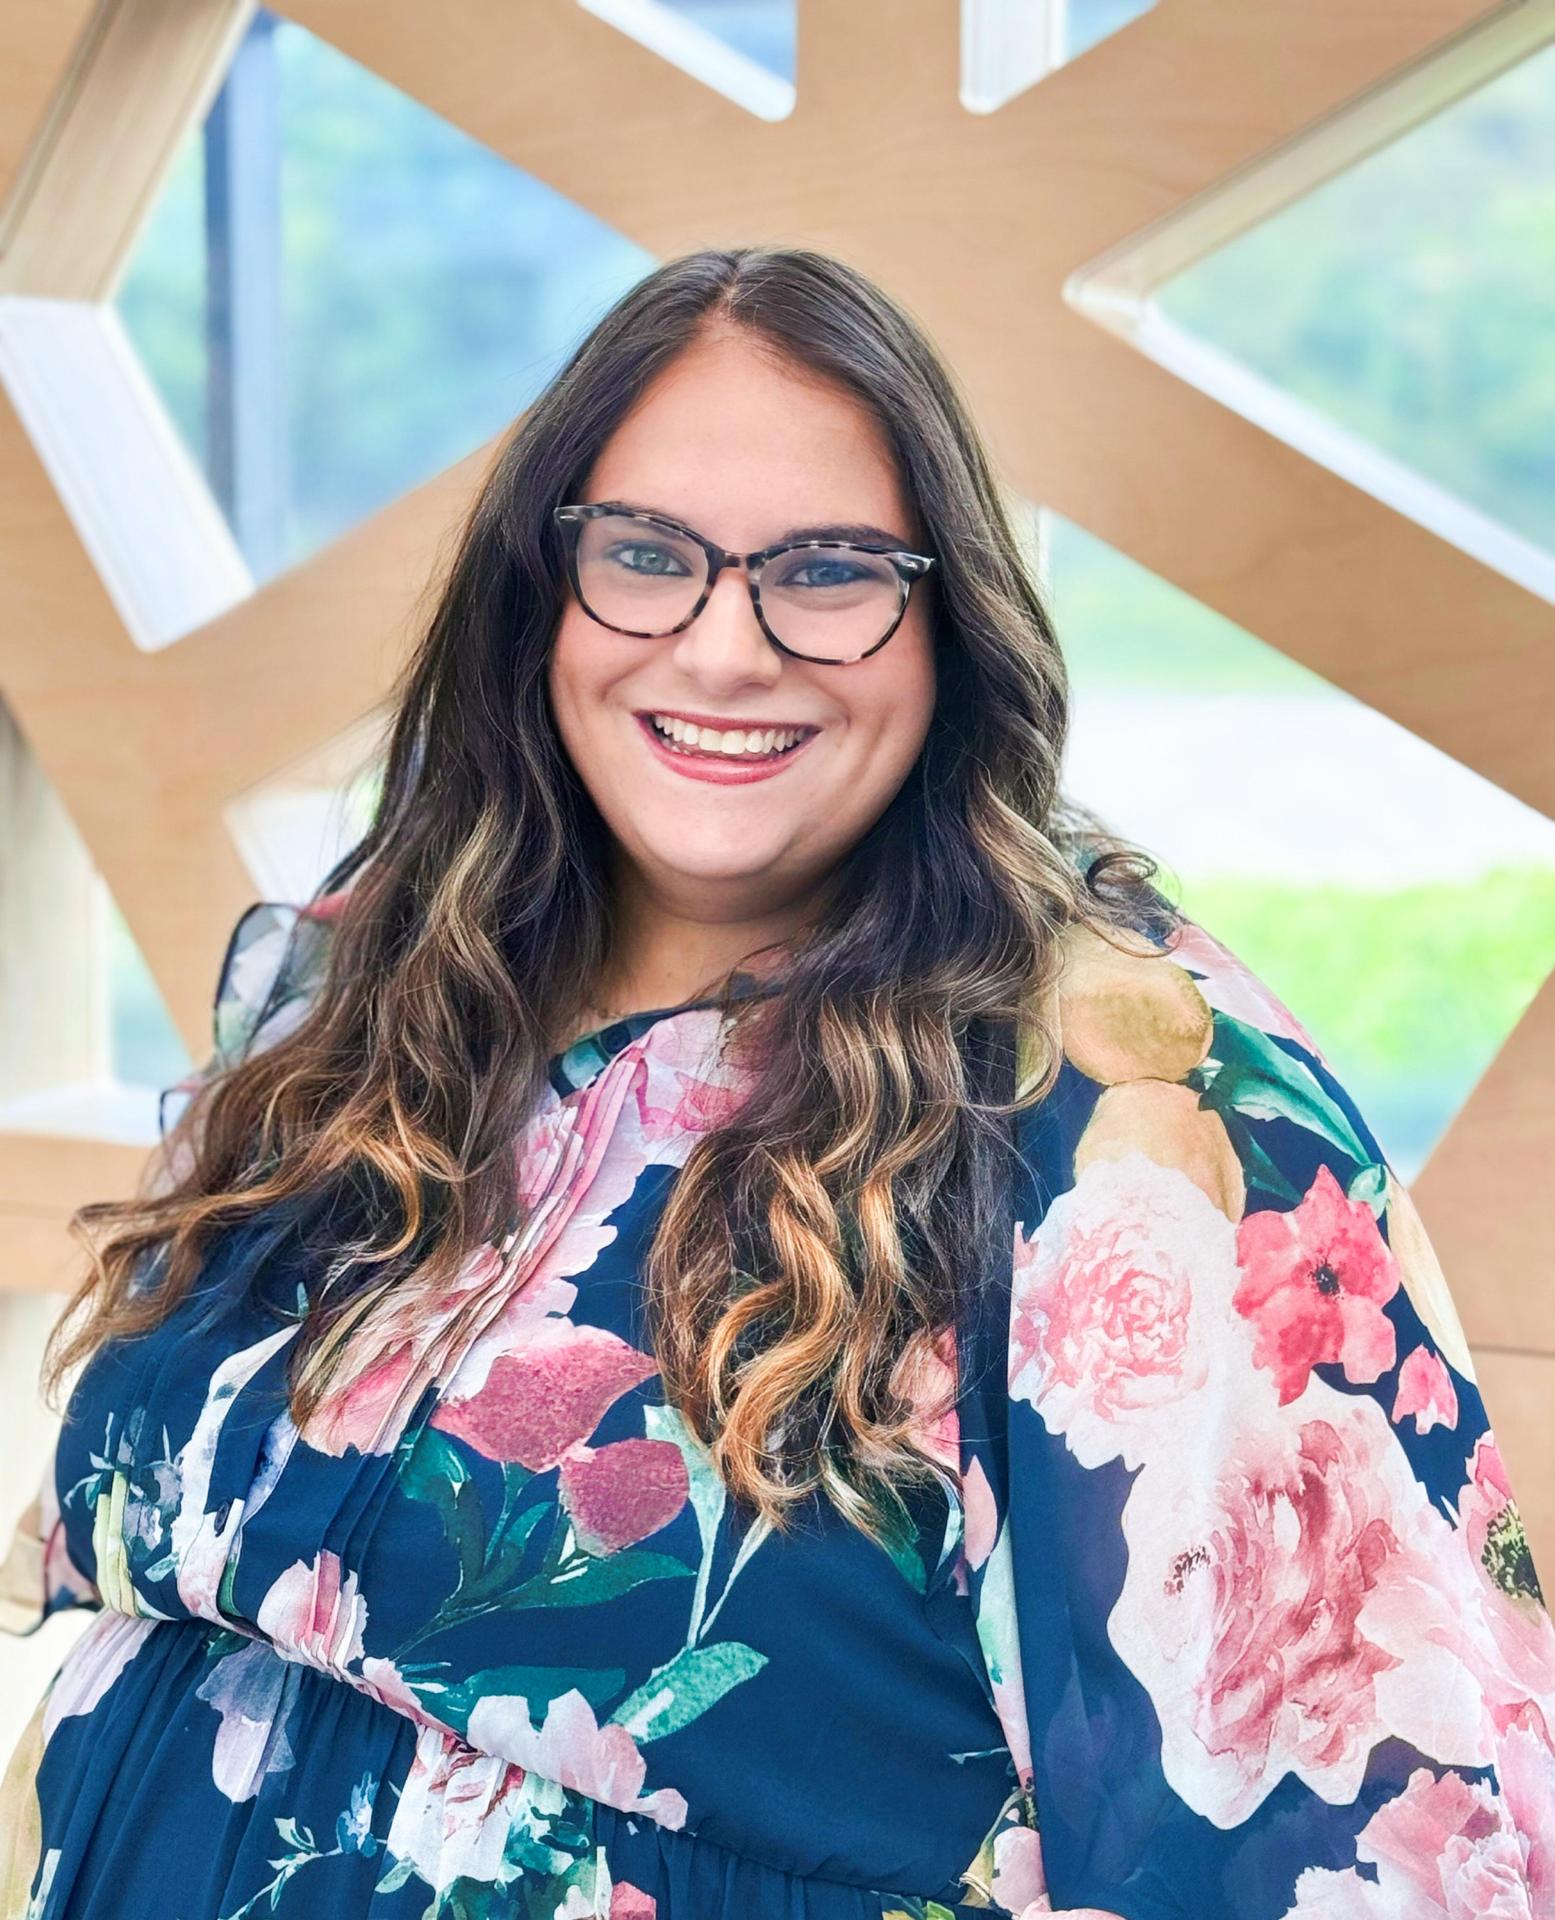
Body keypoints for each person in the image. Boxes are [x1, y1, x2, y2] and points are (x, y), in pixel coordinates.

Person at [0, 244, 1549, 1920]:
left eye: (826, 571)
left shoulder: (1128, 1113)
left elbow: (1376, 1854)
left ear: (948, 619)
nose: (726, 652)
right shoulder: (381, 957)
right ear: (544, 593)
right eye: (648, 557)